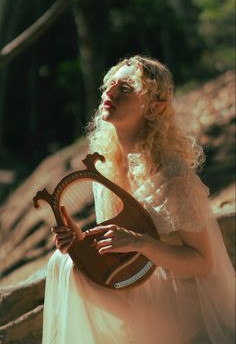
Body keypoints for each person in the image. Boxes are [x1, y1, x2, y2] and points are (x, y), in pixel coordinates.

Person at [42, 55, 235, 344]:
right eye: (110, 85)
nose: (110, 93)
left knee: (71, 270)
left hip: (178, 303)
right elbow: (119, 247)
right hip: (133, 284)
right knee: (65, 259)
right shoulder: (106, 165)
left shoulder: (172, 176)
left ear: (155, 107)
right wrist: (80, 240)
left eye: (126, 88)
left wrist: (141, 243)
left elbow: (203, 263)